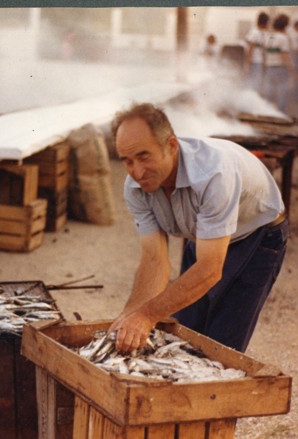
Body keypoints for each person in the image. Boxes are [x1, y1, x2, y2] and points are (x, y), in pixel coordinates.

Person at [108, 103, 288, 353]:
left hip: (257, 234)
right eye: (127, 161)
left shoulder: (213, 174)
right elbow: (154, 260)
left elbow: (210, 270)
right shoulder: (135, 187)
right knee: (186, 336)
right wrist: (131, 315)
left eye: (143, 156)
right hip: (205, 235)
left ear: (171, 146)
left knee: (221, 347)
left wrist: (147, 316)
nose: (137, 172)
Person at [262, 13, 296, 113]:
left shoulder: (268, 37)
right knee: (282, 93)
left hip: (269, 67)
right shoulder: (283, 38)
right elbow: (284, 55)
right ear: (285, 26)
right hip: (280, 68)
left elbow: (264, 52)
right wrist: (292, 70)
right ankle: (280, 114)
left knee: (268, 92)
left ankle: (265, 112)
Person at [244, 12, 270, 95]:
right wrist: (248, 63)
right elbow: (250, 49)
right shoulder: (254, 32)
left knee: (257, 82)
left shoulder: (264, 33)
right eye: (267, 23)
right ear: (264, 23)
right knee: (253, 81)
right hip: (254, 61)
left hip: (260, 61)